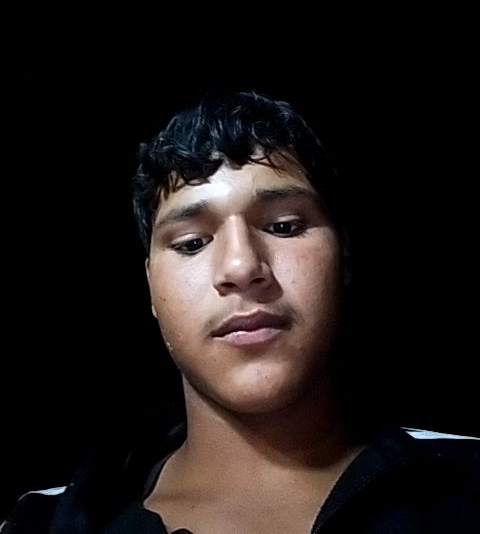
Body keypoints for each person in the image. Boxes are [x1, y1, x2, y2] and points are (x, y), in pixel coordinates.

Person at [2, 90, 479, 533]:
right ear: (150, 287)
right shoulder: (45, 522)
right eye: (192, 243)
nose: (241, 266)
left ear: (345, 258)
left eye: (285, 226)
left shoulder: (468, 480)